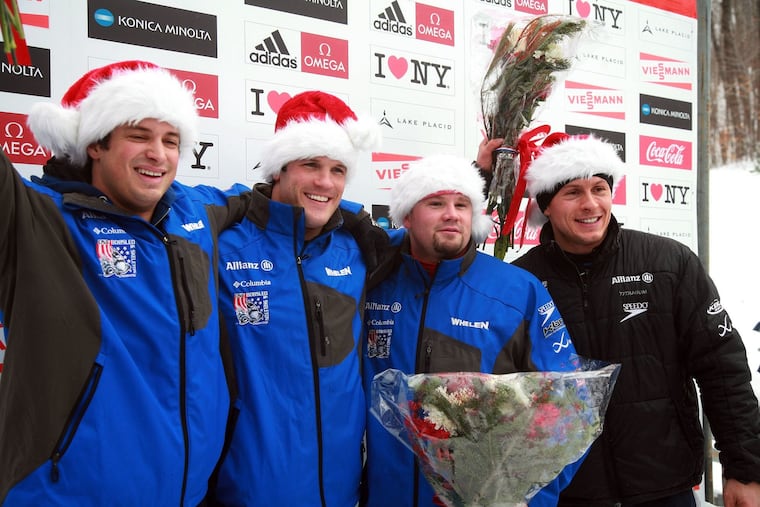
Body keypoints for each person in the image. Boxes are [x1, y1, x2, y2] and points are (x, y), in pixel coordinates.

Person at [0, 60, 249, 505]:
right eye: (139, 136)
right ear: (96, 143)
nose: (159, 153)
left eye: (171, 140)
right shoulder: (35, 217)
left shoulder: (196, 212)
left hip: (186, 495)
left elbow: (275, 201)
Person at [481, 133, 760, 506]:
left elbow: (723, 369)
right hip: (566, 491)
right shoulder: (521, 283)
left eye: (599, 188)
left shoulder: (668, 263)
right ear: (546, 205)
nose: (590, 204)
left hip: (664, 485)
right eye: (572, 193)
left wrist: (744, 468)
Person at [361, 155, 586, 507]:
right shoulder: (371, 281)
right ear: (407, 215)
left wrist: (527, 498)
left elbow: (572, 407)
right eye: (435, 203)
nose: (451, 214)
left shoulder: (517, 291)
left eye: (462, 204)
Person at [210, 91, 382, 506]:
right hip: (248, 489)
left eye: (338, 169)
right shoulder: (222, 243)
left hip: (340, 491)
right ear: (280, 170)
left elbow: (436, 235)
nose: (325, 182)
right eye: (311, 165)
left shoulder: (357, 249)